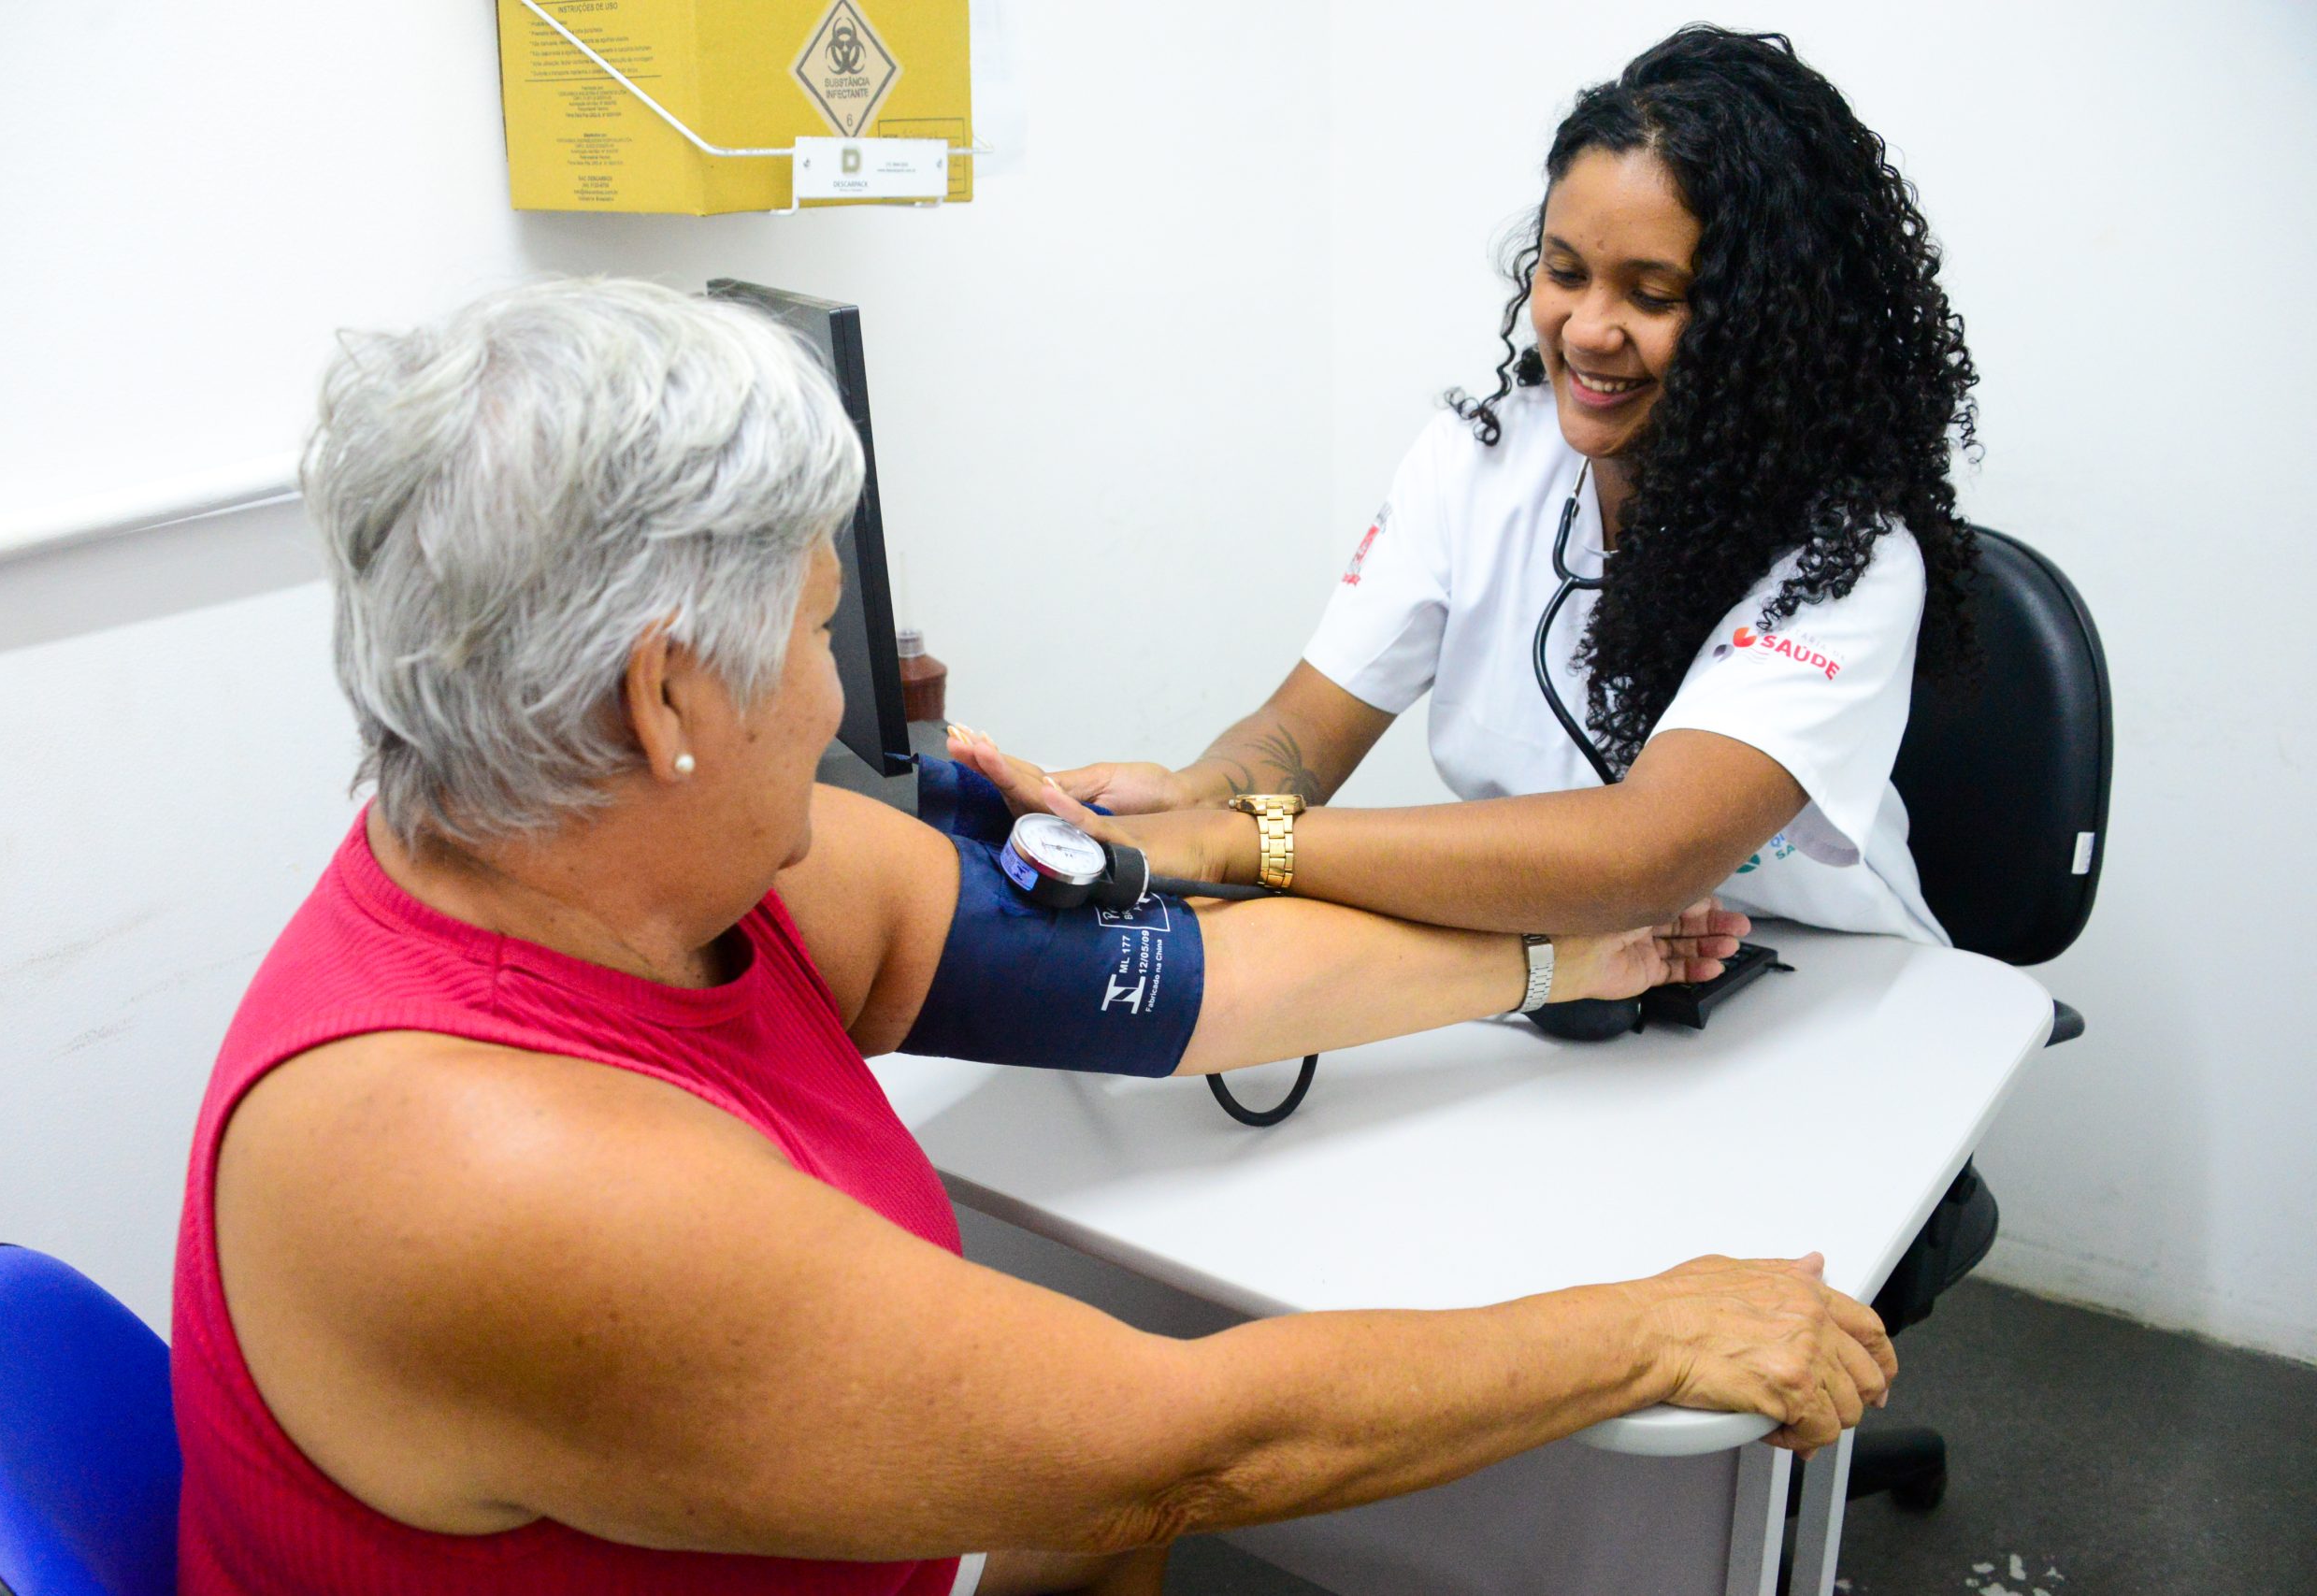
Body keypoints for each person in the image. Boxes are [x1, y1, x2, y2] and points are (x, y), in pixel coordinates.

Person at [171, 279, 1894, 1596]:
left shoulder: (632, 862)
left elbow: (1189, 986)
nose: (846, 703)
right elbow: (1187, 1440)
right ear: (667, 697)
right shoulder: (500, 1171)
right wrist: (1648, 1329)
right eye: (821, 634)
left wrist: (1554, 962)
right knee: (1132, 1496)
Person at [956, 26, 1979, 947]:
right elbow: (1302, 734)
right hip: (1558, 963)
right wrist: (1187, 796)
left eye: (1652, 294)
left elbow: (1643, 854)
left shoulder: (1846, 559)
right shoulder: (1480, 459)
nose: (1588, 330)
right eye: (1564, 272)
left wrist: (1239, 842)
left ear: (1763, 319)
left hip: (1821, 984)